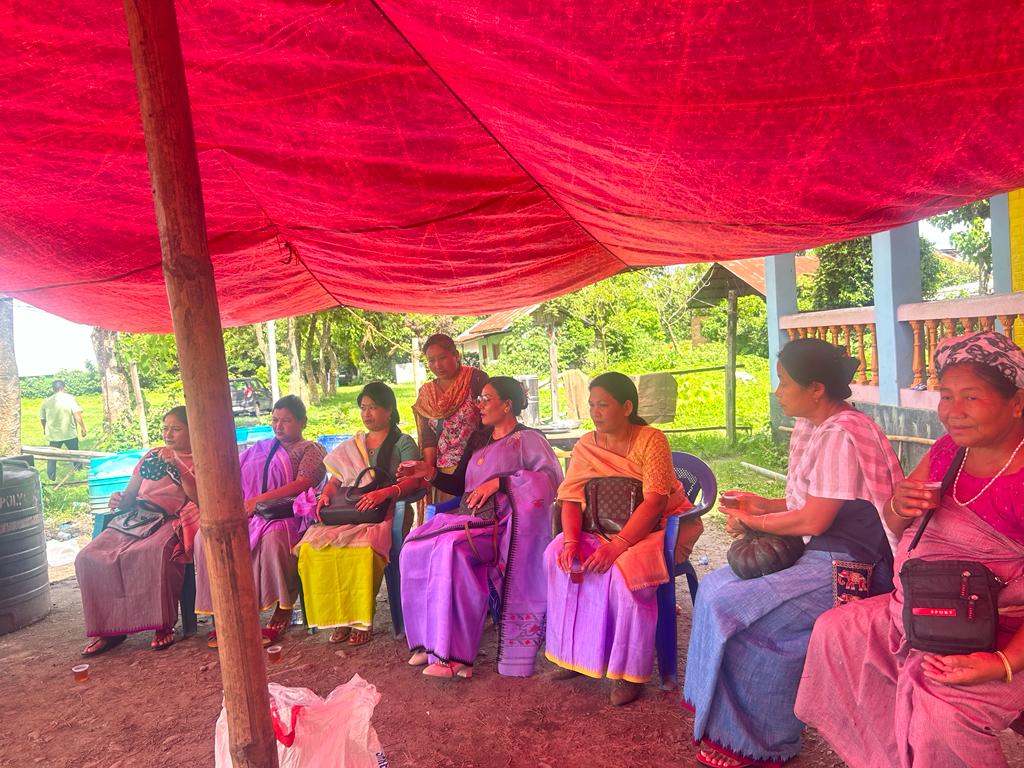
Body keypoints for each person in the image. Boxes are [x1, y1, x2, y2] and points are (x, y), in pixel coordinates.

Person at [796, 330, 1024, 768]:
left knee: (941, 710)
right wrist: (899, 504)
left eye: (971, 398)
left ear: (1016, 402)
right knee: (837, 632)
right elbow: (899, 522)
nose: (952, 413)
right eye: (946, 396)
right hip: (926, 609)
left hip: (1003, 633)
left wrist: (1003, 664)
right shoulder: (947, 453)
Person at [683, 338, 903, 768]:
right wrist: (763, 505)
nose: (777, 391)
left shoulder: (843, 432)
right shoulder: (817, 425)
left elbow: (814, 520)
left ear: (816, 388)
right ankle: (726, 724)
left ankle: (758, 743)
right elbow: (814, 502)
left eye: (784, 383)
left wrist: (753, 522)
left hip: (854, 567)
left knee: (742, 614)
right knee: (713, 590)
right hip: (822, 550)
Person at [544, 372, 696, 706]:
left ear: (626, 407)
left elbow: (655, 501)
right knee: (557, 557)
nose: (595, 412)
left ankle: (628, 673)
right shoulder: (586, 444)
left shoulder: (651, 439)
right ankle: (574, 654)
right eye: (591, 405)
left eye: (603, 405)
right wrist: (571, 542)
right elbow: (570, 498)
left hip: (657, 528)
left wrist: (619, 545)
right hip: (600, 527)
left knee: (626, 574)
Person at [399, 376, 562, 679]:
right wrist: (429, 473)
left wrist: (501, 482)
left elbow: (550, 482)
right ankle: (428, 643)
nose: (479, 405)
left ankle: (457, 657)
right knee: (413, 546)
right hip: (469, 520)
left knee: (452, 550)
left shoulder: (529, 439)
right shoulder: (478, 439)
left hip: (503, 528)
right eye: (479, 399)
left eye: (486, 399)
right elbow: (459, 484)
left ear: (507, 404)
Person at [292, 382, 423, 645]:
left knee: (364, 550)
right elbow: (337, 478)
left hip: (385, 513)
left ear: (389, 410)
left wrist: (384, 493)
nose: (367, 414)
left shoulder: (402, 443)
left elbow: (416, 480)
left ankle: (362, 618)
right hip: (351, 513)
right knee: (311, 548)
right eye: (363, 408)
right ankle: (340, 617)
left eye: (373, 407)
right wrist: (327, 493)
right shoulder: (355, 444)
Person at [194, 395, 325, 646]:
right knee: (206, 536)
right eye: (275, 420)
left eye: (286, 421)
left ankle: (283, 606)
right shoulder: (260, 448)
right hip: (251, 513)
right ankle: (228, 611)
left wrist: (260, 500)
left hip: (289, 513)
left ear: (303, 422)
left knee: (274, 537)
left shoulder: (310, 449)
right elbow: (233, 476)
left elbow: (304, 483)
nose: (278, 426)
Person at [76, 406, 199, 655]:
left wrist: (176, 463)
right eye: (165, 428)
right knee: (89, 557)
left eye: (176, 429)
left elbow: (197, 496)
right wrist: (119, 499)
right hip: (136, 517)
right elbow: (130, 496)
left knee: (154, 554)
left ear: (192, 429)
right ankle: (109, 629)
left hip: (170, 519)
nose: (168, 434)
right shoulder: (152, 455)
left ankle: (162, 625)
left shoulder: (199, 458)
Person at [412, 334, 488, 501]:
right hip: (442, 474)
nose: (437, 365)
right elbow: (428, 438)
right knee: (446, 521)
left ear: (456, 355)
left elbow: (488, 423)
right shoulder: (427, 394)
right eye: (431, 360)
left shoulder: (475, 379)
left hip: (476, 467)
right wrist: (429, 472)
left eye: (442, 357)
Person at [39, 379, 87, 481]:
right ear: (63, 388)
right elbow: (77, 414)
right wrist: (83, 427)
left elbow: (42, 418)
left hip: (53, 435)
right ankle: (79, 474)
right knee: (75, 454)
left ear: (53, 389)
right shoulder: (69, 398)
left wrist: (44, 429)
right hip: (69, 433)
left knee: (52, 458)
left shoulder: (46, 401)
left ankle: (51, 478)